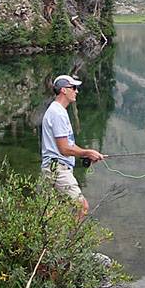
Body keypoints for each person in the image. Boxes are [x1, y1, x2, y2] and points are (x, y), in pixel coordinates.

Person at [41, 74, 104, 218]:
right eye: (73, 88)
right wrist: (87, 152)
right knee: (82, 206)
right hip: (58, 169)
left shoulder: (58, 111)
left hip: (54, 168)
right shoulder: (57, 113)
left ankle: (52, 240)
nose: (76, 91)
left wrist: (88, 154)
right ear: (63, 90)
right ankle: (70, 240)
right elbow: (64, 149)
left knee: (51, 214)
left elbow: (69, 144)